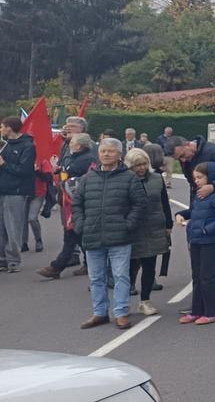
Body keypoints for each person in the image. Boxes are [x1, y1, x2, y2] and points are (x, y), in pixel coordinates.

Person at [75, 138, 148, 330]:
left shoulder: (129, 178)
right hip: (92, 235)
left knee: (120, 276)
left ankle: (121, 313)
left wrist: (127, 225)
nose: (106, 154)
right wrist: (81, 225)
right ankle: (100, 313)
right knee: (96, 278)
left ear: (119, 154)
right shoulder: (88, 178)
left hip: (120, 237)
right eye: (103, 151)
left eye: (110, 151)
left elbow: (140, 204)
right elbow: (77, 204)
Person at [175, 163, 215, 326]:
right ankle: (197, 310)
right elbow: (194, 212)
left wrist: (207, 230)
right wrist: (180, 214)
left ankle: (213, 312)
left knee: (207, 277)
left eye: (200, 177)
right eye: (195, 178)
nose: (197, 181)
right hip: (196, 240)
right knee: (197, 277)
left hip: (209, 241)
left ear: (211, 177)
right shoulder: (198, 195)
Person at [39, 131, 96, 278]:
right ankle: (89, 264)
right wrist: (60, 170)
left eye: (73, 143)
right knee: (76, 234)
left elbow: (77, 175)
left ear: (80, 146)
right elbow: (67, 170)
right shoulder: (73, 157)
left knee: (72, 233)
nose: (70, 145)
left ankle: (57, 266)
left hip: (76, 199)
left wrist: (66, 172)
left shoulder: (86, 159)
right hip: (68, 198)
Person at [124, 148, 172, 317]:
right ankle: (123, 303)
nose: (142, 168)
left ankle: (145, 301)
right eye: (137, 165)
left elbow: (164, 203)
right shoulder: (124, 180)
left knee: (149, 266)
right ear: (130, 166)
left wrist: (169, 223)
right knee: (129, 267)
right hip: (132, 229)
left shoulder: (157, 179)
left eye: (144, 164)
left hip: (154, 227)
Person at [0, 115, 36, 272]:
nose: (1, 130)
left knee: (12, 226)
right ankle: (2, 259)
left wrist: (4, 164)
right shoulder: (5, 145)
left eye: (2, 127)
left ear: (9, 128)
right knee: (1, 227)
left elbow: (24, 170)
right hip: (2, 190)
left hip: (16, 192)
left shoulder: (27, 146)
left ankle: (13, 260)